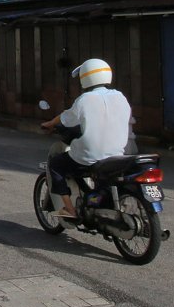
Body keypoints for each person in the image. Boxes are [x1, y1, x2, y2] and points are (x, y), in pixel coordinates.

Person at [40, 58, 132, 220]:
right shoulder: (120, 97)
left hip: (89, 156)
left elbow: (65, 118)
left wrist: (50, 123)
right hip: (117, 155)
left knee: (55, 164)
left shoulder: (84, 100)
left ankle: (69, 209)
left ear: (85, 77)